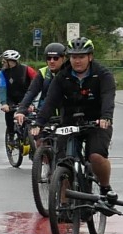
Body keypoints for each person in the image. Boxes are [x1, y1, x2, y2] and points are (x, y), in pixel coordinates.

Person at [22, 37, 117, 195]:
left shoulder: (102, 74)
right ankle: (64, 202)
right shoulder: (62, 76)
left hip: (96, 122)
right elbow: (50, 101)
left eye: (81, 57)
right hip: (69, 122)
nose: (77, 61)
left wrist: (106, 117)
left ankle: (105, 187)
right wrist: (39, 123)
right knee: (63, 163)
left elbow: (108, 96)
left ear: (90, 57)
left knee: (96, 157)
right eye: (74, 57)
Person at [0, 50, 38, 139]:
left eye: (4, 61)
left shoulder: (27, 69)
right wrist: (4, 103)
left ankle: (30, 136)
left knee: (30, 116)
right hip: (11, 98)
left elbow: (37, 82)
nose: (2, 63)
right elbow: (2, 87)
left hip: (25, 97)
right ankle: (11, 134)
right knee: (9, 114)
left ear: (10, 61)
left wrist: (32, 102)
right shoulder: (3, 72)